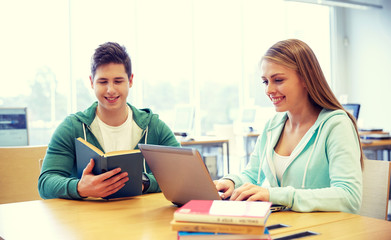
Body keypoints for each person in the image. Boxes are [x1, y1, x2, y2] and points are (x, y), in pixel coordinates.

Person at [215, 39, 363, 214]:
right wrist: (231, 182)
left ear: (306, 79)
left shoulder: (336, 125)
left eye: (278, 80)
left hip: (327, 229)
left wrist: (277, 195)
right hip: (288, 225)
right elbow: (253, 174)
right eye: (265, 81)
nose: (268, 90)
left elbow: (349, 196)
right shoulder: (272, 126)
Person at [38, 42, 180, 199]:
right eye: (103, 81)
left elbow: (182, 174)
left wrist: (144, 182)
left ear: (130, 80)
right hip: (87, 219)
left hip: (140, 218)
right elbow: (45, 183)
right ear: (92, 82)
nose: (110, 90)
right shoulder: (72, 127)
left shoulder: (153, 126)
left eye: (118, 81)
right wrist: (80, 187)